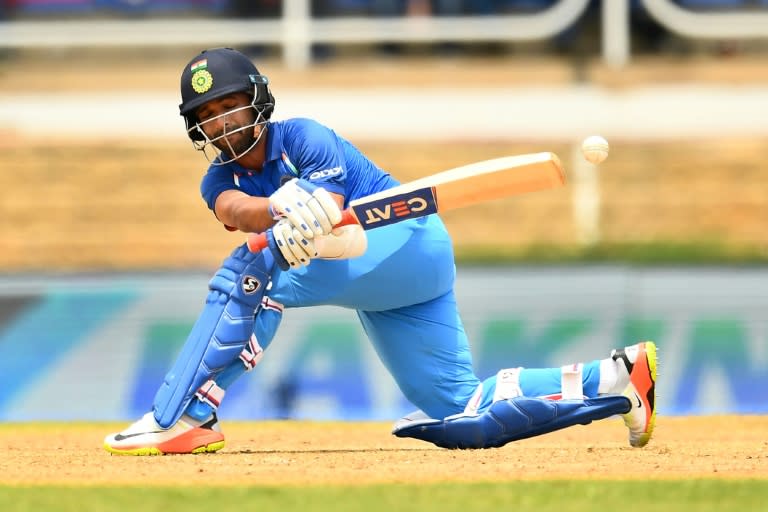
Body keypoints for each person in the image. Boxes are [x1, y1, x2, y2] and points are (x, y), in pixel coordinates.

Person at [103, 47, 657, 455]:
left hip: (405, 241)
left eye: (230, 106)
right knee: (462, 409)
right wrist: (279, 209)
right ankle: (616, 379)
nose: (222, 123)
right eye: (207, 115)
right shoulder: (216, 181)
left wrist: (310, 213)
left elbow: (331, 197)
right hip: (384, 284)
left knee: (256, 274)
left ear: (257, 103)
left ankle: (184, 415)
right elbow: (234, 211)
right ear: (195, 127)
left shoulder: (303, 136)